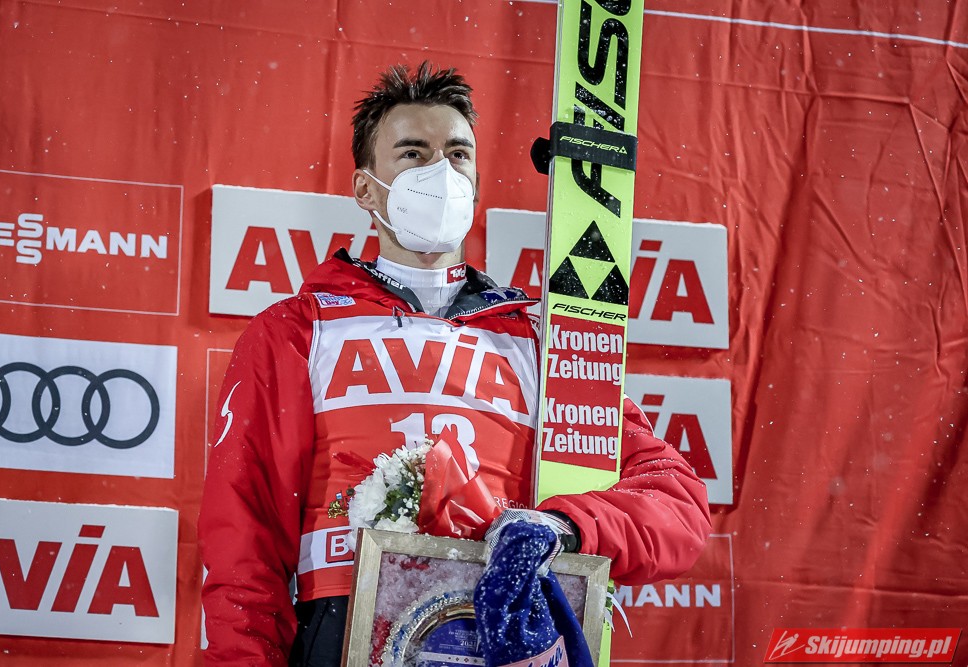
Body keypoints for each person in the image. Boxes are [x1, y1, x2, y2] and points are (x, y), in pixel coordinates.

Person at [198, 62, 711, 666]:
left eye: (457, 154)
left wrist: (563, 528)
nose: (439, 172)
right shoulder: (298, 330)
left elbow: (676, 502)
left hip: (502, 631)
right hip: (343, 631)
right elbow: (244, 543)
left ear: (476, 180)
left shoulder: (541, 341)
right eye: (413, 154)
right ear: (365, 189)